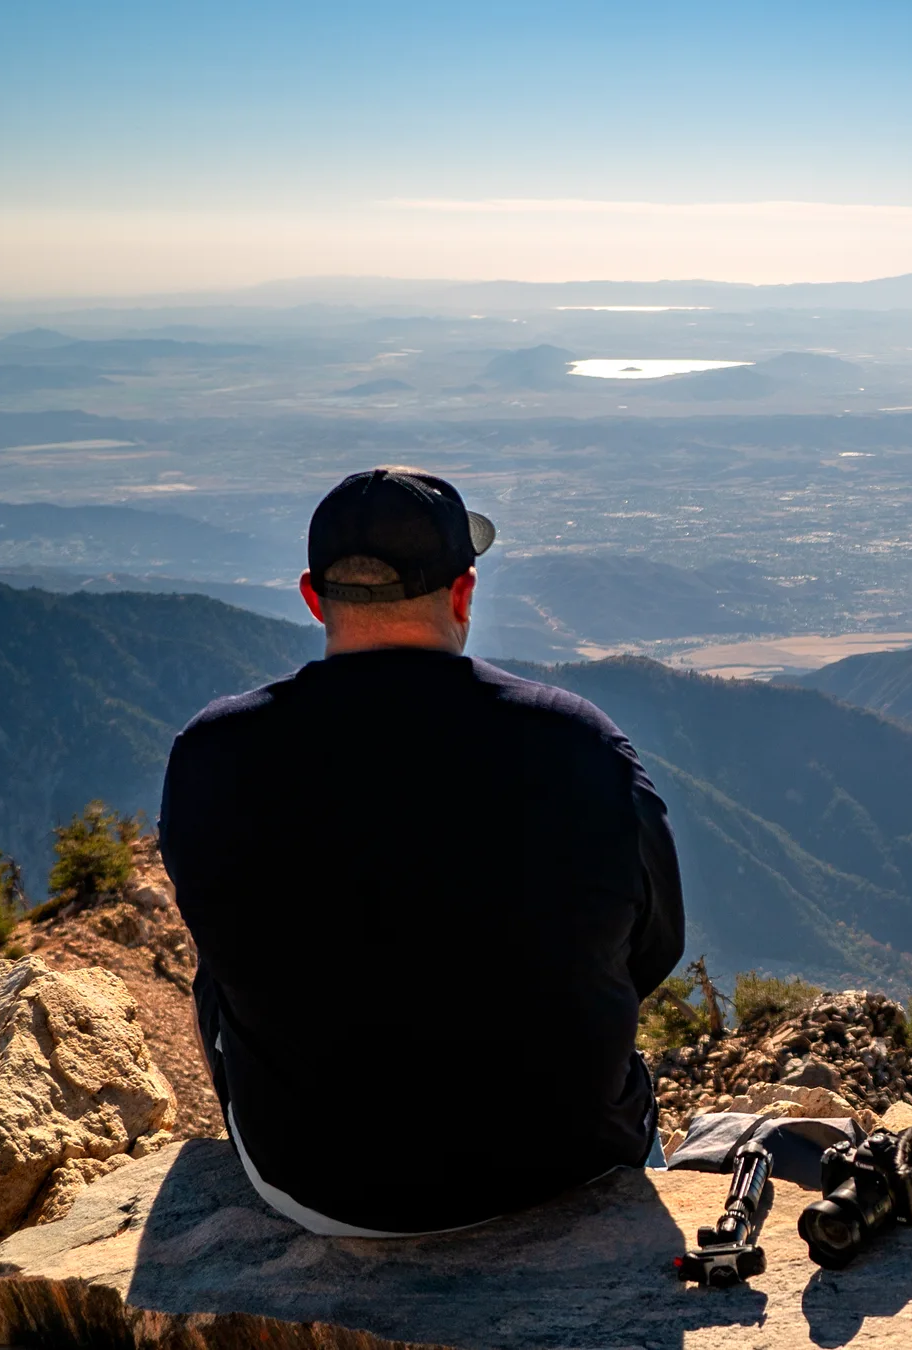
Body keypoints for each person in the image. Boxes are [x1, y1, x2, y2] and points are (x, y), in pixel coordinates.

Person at [158, 467, 684, 1237]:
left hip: (316, 1187)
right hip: (570, 1167)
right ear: (464, 592)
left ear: (313, 596)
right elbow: (655, 946)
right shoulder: (579, 743)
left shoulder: (211, 752)